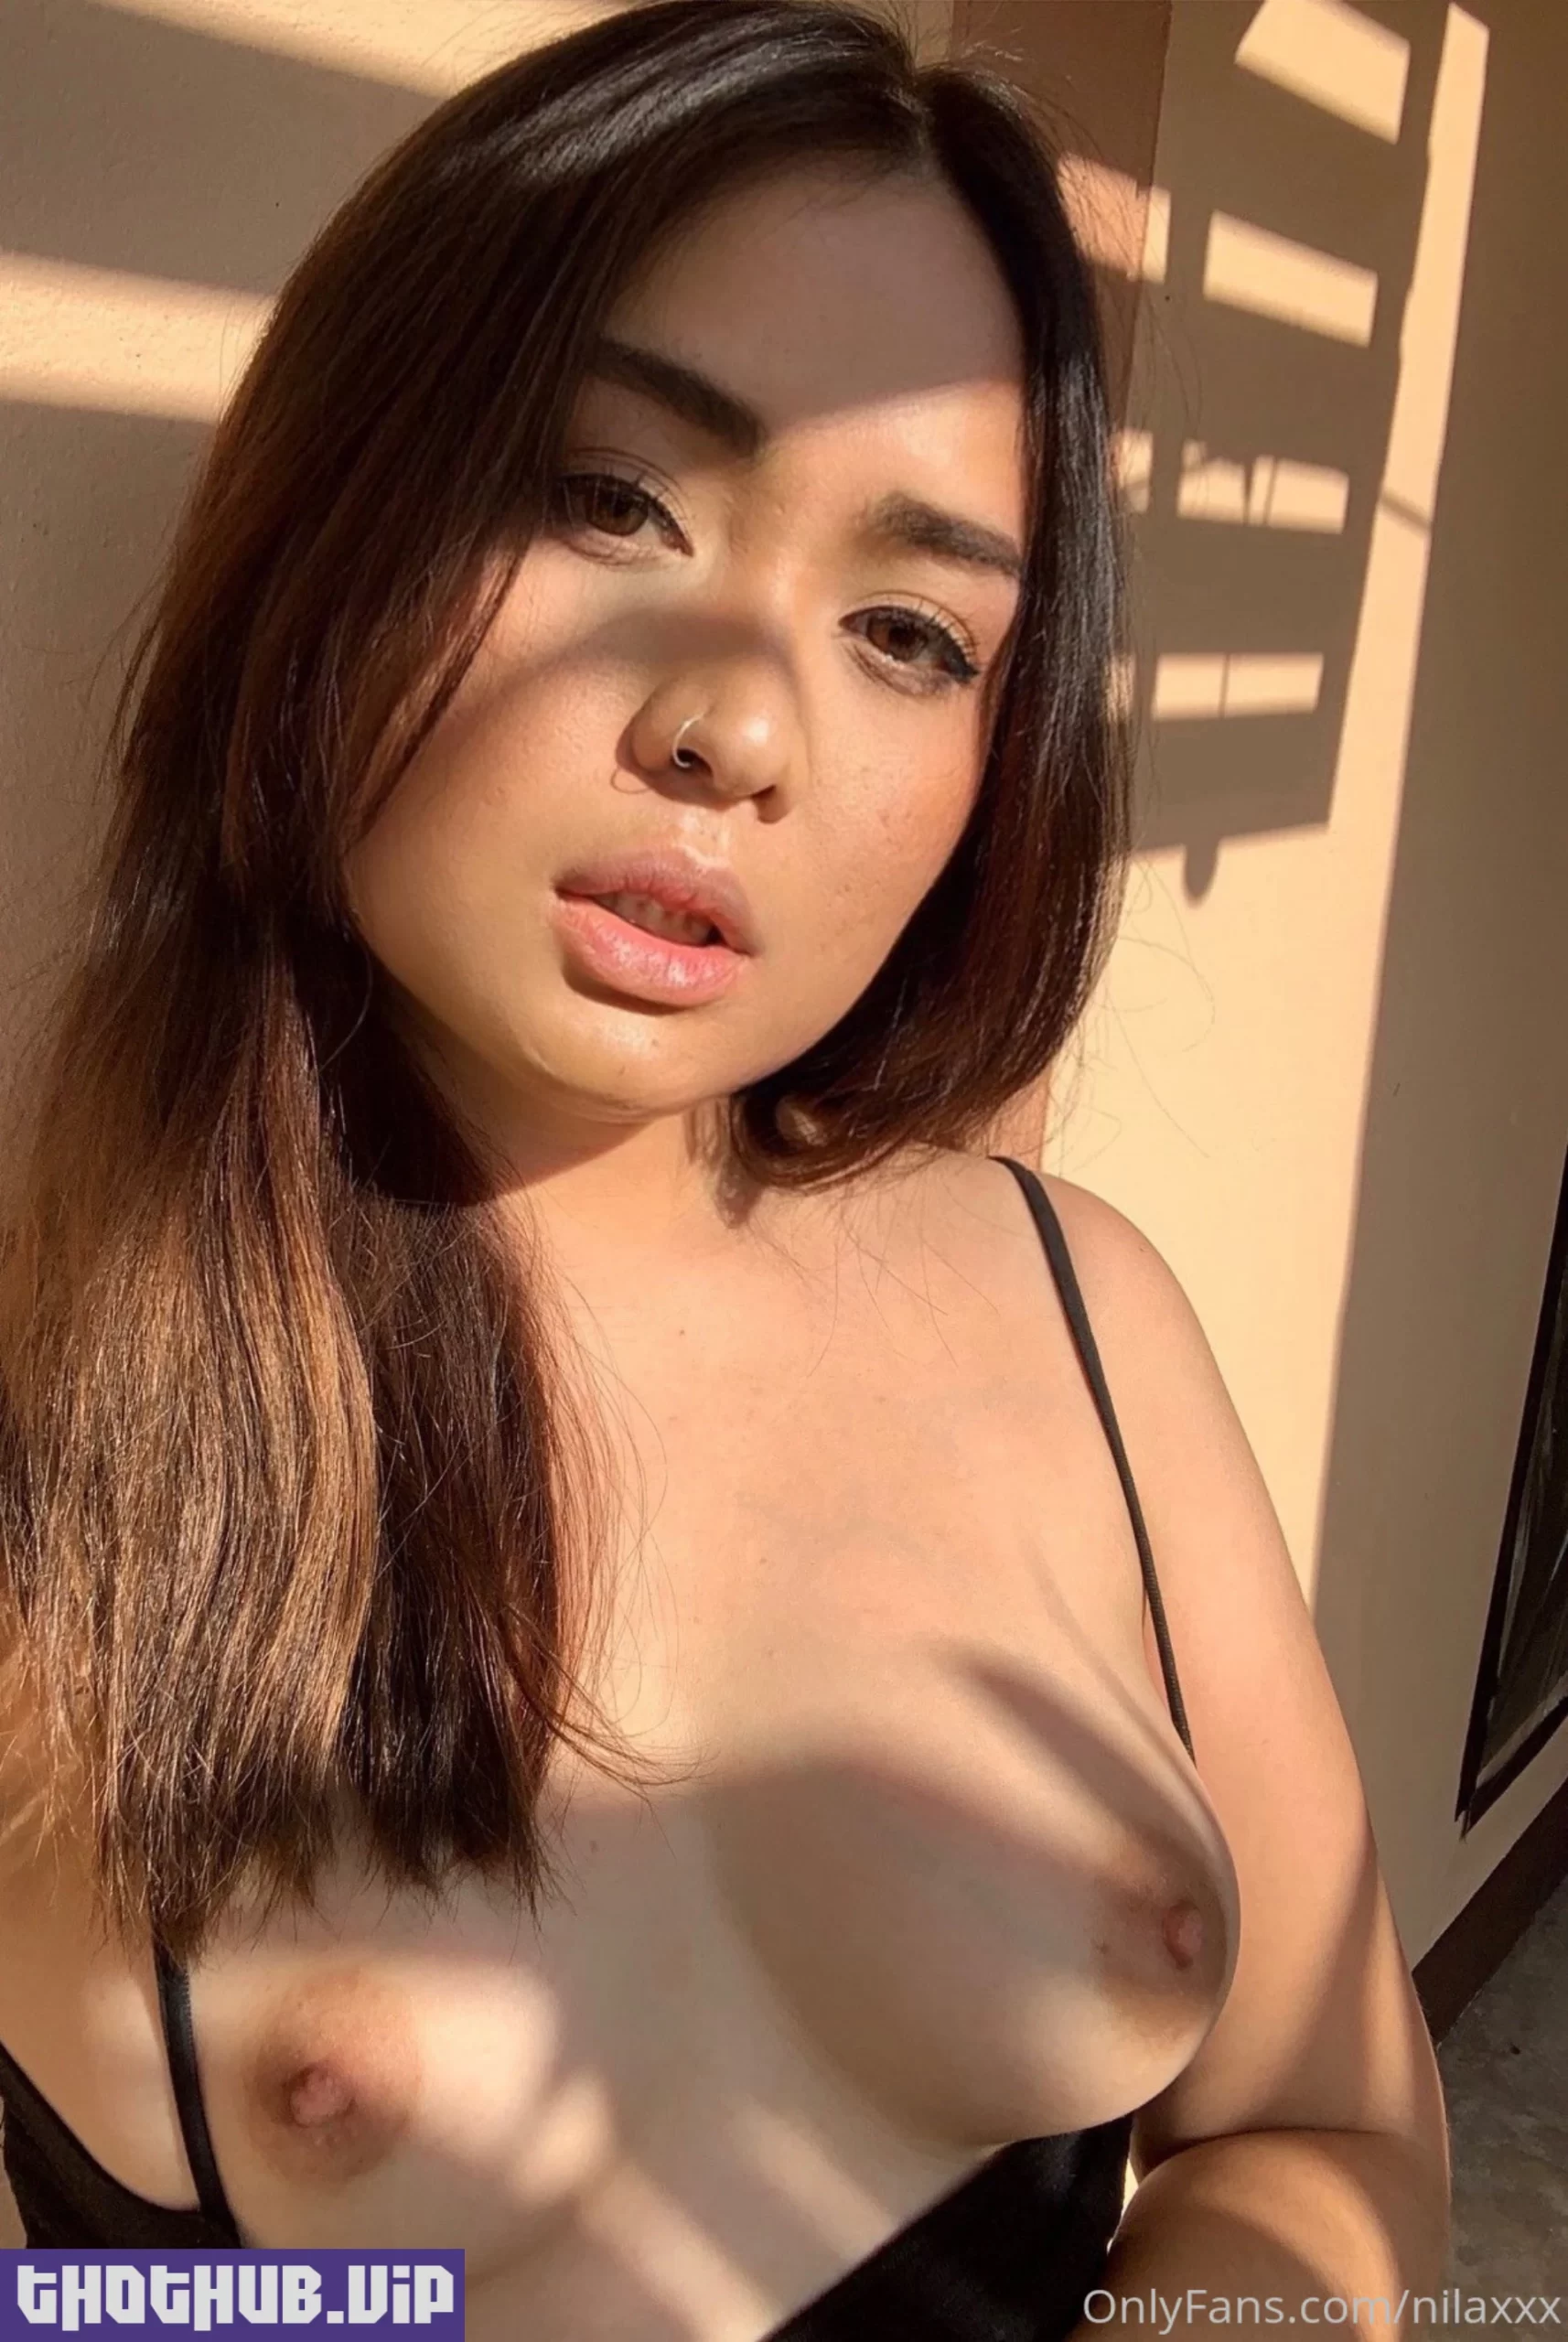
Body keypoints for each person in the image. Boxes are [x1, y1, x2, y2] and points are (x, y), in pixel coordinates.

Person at [0, 0, 1448, 2331]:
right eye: (610, 498)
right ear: (340, 507)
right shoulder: (60, 1443)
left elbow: (1321, 2123)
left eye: (907, 630)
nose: (741, 725)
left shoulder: (1084, 1308)